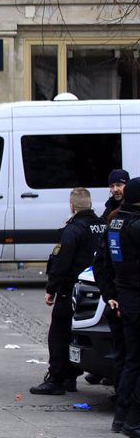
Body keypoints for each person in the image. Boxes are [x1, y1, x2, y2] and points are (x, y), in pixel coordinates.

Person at [31, 188, 105, 396]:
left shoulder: (72, 230)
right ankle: (70, 376)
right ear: (90, 204)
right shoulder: (102, 226)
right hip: (94, 291)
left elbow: (61, 263)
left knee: (58, 334)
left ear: (72, 206)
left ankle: (56, 378)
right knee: (76, 334)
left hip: (71, 289)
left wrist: (51, 289)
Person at [93, 177, 140, 438]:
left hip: (122, 297)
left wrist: (111, 294)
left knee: (128, 360)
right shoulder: (134, 225)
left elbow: (102, 264)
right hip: (133, 297)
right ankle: (132, 420)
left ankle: (122, 418)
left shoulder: (115, 223)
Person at [103, 168, 130, 404]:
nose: (115, 189)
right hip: (120, 291)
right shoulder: (109, 212)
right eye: (112, 186)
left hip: (123, 291)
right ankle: (123, 397)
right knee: (123, 350)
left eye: (119, 185)